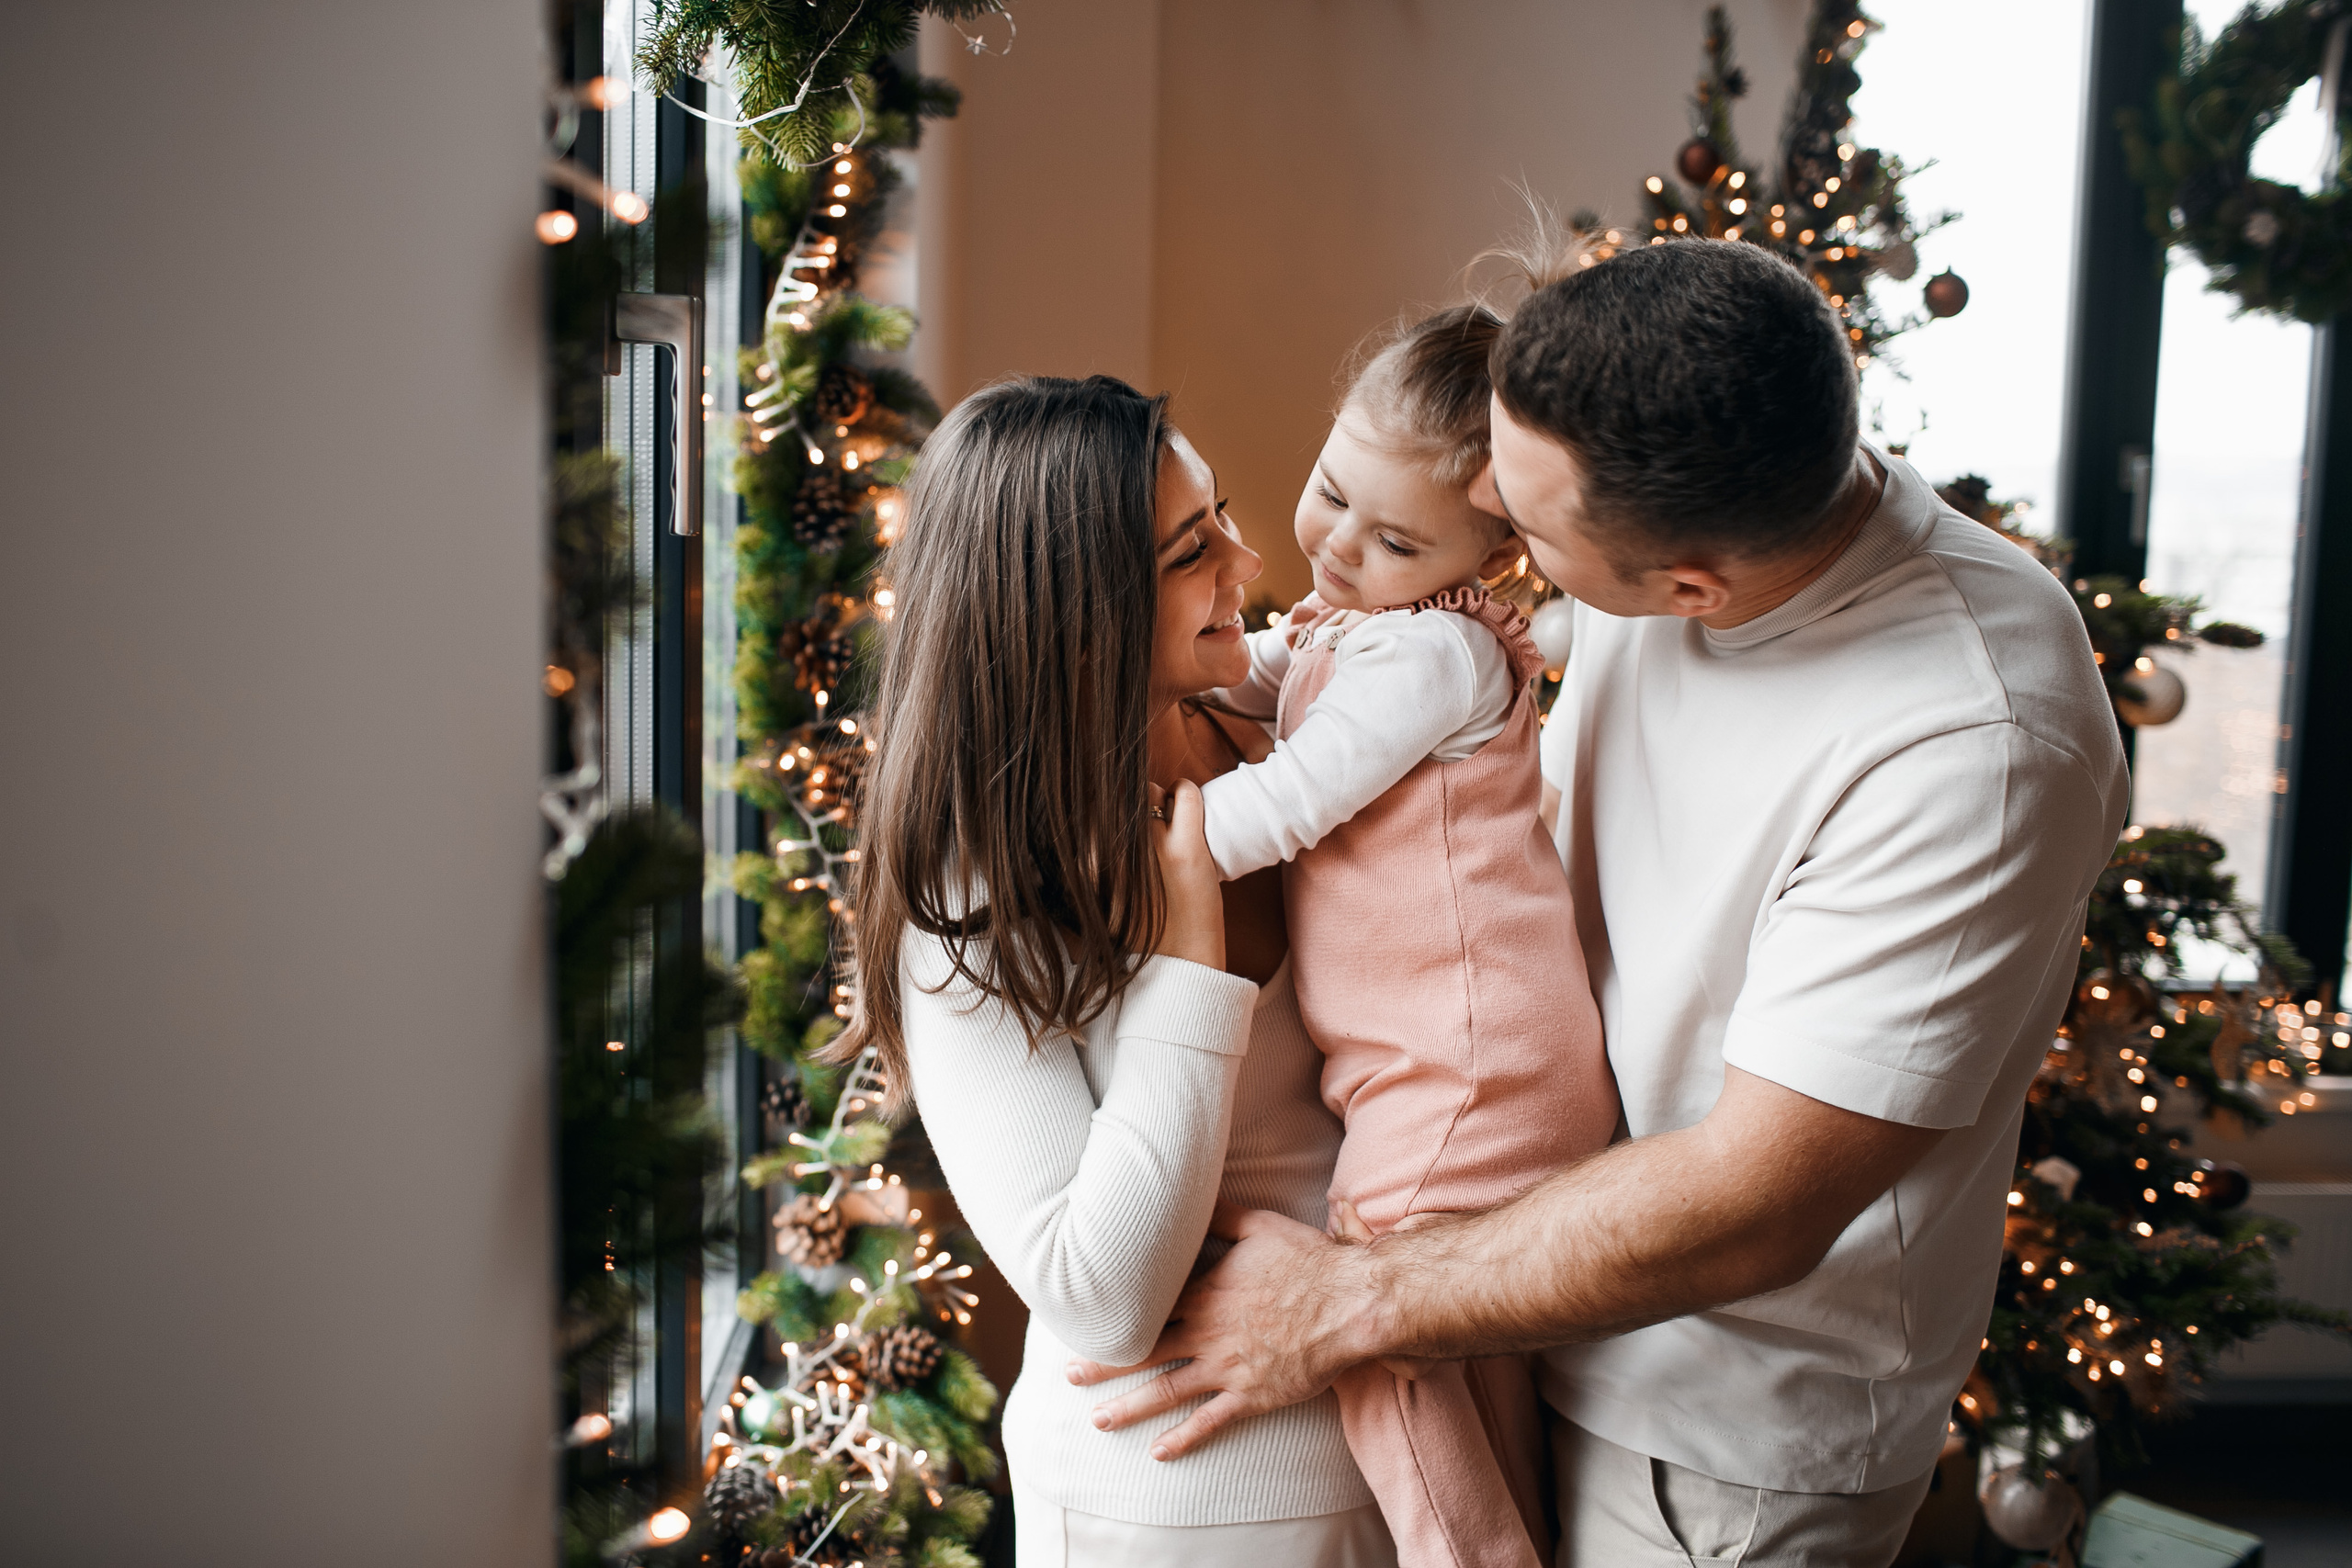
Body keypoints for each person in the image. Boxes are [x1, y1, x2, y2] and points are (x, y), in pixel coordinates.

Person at [1073, 239, 2130, 1568]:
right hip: (1528, 1284)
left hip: (1718, 1444)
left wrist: (1344, 1300)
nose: (1491, 563)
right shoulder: (1658, 483)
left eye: (1522, 540)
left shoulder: (1975, 740)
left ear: (1690, 593)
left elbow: (1758, 1200)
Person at [837, 375, 1397, 1567]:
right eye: (1194, 549)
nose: (1249, 558)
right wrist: (1192, 966)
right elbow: (1100, 1300)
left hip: (1413, 1445)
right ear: (1074, 616)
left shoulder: (1285, 729)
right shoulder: (968, 906)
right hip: (1174, 1509)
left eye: (1225, 515)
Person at [1193, 305, 1619, 1568]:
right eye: (1330, 493)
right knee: (1467, 1370)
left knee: (1377, 1339)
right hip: (1458, 1060)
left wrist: (1104, 867)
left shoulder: (1430, 654)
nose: (1335, 547)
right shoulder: (1359, 626)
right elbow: (1238, 669)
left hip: (1472, 1067)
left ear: (1491, 554)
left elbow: (1280, 802)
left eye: (1393, 541)